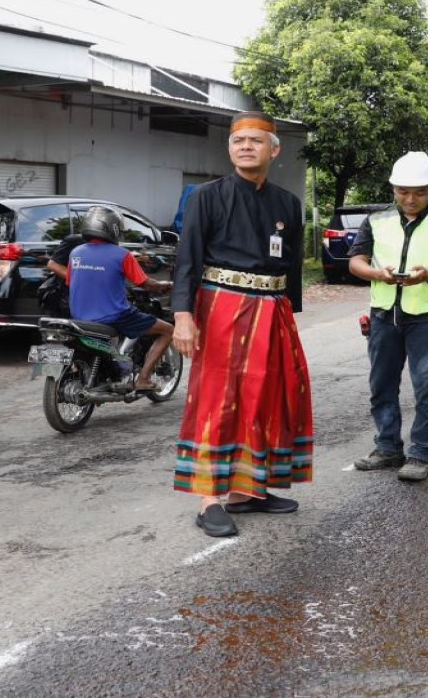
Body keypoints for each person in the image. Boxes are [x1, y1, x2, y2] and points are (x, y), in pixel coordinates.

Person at [171, 111, 312, 538]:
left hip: (273, 311)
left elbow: (291, 267)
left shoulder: (288, 204)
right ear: (230, 148)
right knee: (218, 397)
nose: (246, 146)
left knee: (269, 397)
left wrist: (289, 316)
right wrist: (183, 316)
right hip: (221, 307)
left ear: (274, 148)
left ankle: (250, 489)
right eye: (238, 141)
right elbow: (188, 259)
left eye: (255, 140)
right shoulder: (205, 196)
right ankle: (210, 498)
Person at [348, 151, 428, 482]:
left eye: (419, 192)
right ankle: (388, 448)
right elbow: (355, 261)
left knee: (427, 387)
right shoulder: (376, 220)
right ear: (393, 188)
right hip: (383, 316)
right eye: (403, 191)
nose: (410, 198)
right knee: (381, 385)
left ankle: (421, 454)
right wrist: (377, 273)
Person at [66, 205, 173, 392]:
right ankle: (144, 379)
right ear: (113, 228)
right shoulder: (122, 255)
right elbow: (146, 284)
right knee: (168, 330)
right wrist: (166, 285)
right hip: (114, 316)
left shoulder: (76, 252)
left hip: (79, 317)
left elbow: (72, 282)